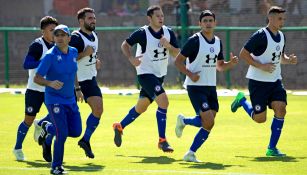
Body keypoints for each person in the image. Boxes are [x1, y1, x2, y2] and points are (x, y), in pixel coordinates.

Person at [231, 6, 297, 157]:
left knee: (281, 109)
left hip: (275, 81)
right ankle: (242, 101)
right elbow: (243, 54)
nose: (282, 22)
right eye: (280, 19)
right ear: (270, 18)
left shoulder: (281, 36)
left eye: (284, 19)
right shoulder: (260, 35)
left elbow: (280, 58)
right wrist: (261, 66)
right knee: (260, 119)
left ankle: (271, 149)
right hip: (258, 82)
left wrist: (289, 60)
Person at [113, 5, 180, 152]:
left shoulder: (169, 33)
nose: (161, 18)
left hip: (159, 75)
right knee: (163, 102)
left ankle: (120, 126)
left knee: (141, 107)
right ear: (149, 18)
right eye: (157, 16)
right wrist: (131, 58)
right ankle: (162, 141)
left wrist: (168, 46)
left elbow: (177, 53)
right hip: (145, 73)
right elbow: (125, 44)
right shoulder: (142, 33)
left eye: (162, 15)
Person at [174, 10, 238, 162]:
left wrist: (231, 64)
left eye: (211, 20)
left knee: (207, 123)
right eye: (205, 21)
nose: (208, 23)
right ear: (200, 24)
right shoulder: (194, 40)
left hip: (211, 87)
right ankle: (190, 152)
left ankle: (184, 124)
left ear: (215, 23)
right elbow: (178, 61)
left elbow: (220, 66)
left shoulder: (217, 41)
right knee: (209, 121)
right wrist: (190, 75)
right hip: (195, 87)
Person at [34, 24, 82, 174]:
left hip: (70, 99)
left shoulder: (73, 52)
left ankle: (47, 127)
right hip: (54, 99)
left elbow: (73, 72)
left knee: (75, 131)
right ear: (54, 37)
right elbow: (37, 77)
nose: (59, 38)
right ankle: (56, 167)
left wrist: (78, 89)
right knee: (61, 133)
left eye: (63, 35)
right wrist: (50, 83)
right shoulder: (50, 56)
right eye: (57, 35)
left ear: (69, 38)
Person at [13, 16, 58, 161]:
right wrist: (43, 62)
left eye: (56, 30)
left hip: (50, 90)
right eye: (52, 30)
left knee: (57, 116)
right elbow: (27, 64)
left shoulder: (57, 46)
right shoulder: (37, 45)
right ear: (43, 30)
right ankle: (17, 148)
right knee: (28, 120)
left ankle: (41, 126)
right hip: (34, 89)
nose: (54, 33)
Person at [69, 7, 102, 159]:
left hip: (90, 79)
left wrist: (95, 60)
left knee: (98, 110)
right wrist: (76, 88)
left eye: (94, 18)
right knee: (65, 117)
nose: (93, 20)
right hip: (76, 81)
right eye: (90, 18)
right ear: (81, 21)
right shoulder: (75, 38)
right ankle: (44, 129)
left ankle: (85, 140)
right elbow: (69, 61)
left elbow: (92, 53)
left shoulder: (95, 35)